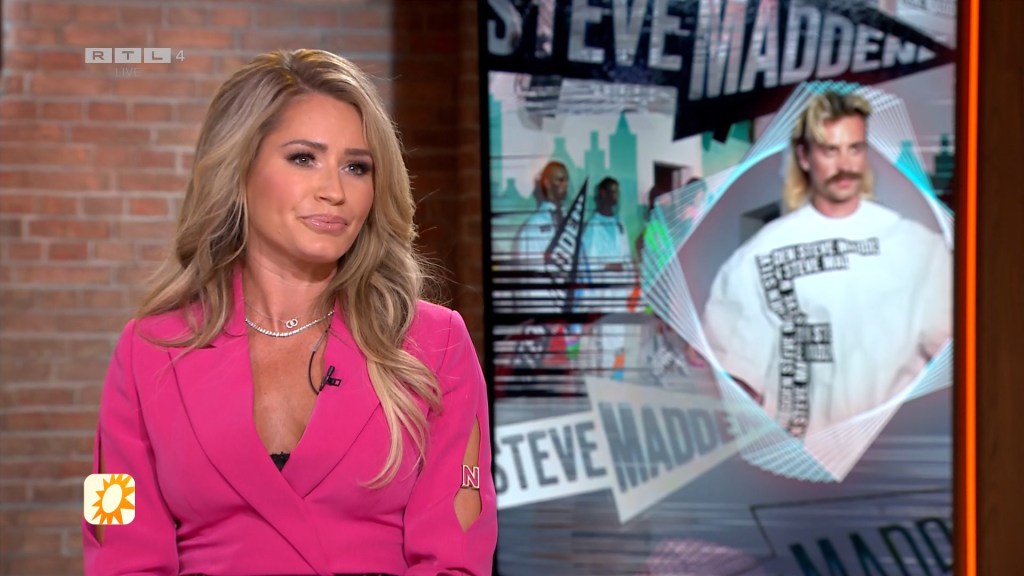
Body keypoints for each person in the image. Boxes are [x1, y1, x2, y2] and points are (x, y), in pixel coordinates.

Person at [83, 49, 497, 575]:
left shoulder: (435, 342)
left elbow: (457, 558)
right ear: (239, 169)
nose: (335, 191)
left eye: (357, 167)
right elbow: (113, 536)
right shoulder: (146, 348)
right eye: (304, 158)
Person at [701, 90, 951, 438]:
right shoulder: (757, 257)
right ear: (804, 156)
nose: (845, 165)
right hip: (798, 455)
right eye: (830, 151)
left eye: (855, 148)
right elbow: (734, 380)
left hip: (894, 452)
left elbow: (952, 358)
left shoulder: (918, 248)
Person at [513, 160, 569, 263]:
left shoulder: (571, 220)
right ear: (547, 183)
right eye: (560, 180)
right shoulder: (532, 225)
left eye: (567, 180)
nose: (565, 184)